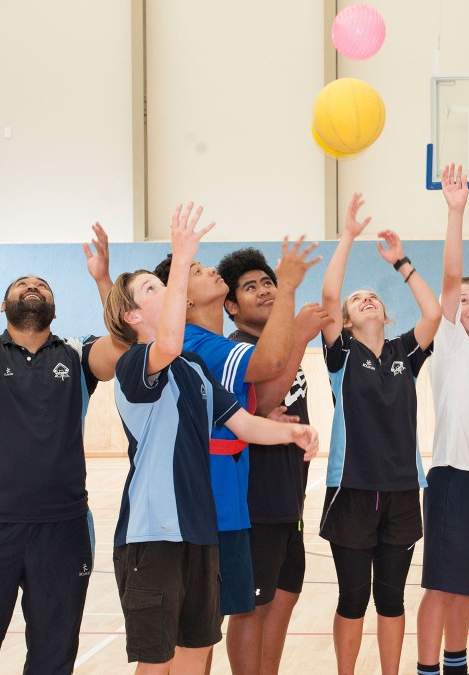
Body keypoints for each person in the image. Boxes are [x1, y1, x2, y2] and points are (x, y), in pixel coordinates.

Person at [103, 202, 319, 674]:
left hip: (200, 532)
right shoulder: (135, 365)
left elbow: (242, 421)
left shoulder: (196, 370)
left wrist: (294, 432)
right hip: (153, 533)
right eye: (152, 288)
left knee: (195, 652)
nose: (168, 289)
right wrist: (182, 257)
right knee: (157, 661)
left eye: (165, 283)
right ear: (135, 316)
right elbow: (167, 343)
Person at [319, 193, 441, 675]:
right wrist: (348, 236)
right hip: (350, 490)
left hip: (402, 491)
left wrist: (402, 264)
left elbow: (432, 315)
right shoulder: (342, 354)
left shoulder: (403, 352)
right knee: (353, 599)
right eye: (357, 299)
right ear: (347, 321)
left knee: (391, 601)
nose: (365, 297)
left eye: (373, 296)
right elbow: (328, 297)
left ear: (385, 314)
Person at [0, 222, 126, 674]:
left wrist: (102, 280)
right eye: (22, 284)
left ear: (54, 306)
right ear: (5, 305)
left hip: (64, 527)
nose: (33, 286)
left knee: (54, 655)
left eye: (42, 285)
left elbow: (124, 347)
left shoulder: (75, 353)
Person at [217, 246, 333, 674]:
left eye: (269, 282)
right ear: (231, 305)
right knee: (252, 608)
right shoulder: (238, 350)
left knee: (283, 600)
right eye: (251, 287)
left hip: (289, 498)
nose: (265, 291)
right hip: (255, 500)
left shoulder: (279, 346)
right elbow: (256, 406)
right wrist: (300, 336)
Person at [415, 164, 469, 675]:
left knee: (465, 586)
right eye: (462, 302)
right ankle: (427, 669)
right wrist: (456, 212)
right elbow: (452, 279)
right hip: (450, 477)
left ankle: (455, 666)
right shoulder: (445, 344)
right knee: (441, 587)